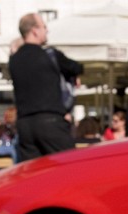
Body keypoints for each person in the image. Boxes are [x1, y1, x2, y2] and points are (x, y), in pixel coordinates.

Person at [9, 13, 83, 162]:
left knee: (34, 175)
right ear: (35, 31)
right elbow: (77, 67)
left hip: (25, 125)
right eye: (44, 26)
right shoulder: (50, 55)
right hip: (50, 121)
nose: (47, 30)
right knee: (72, 166)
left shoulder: (14, 60)